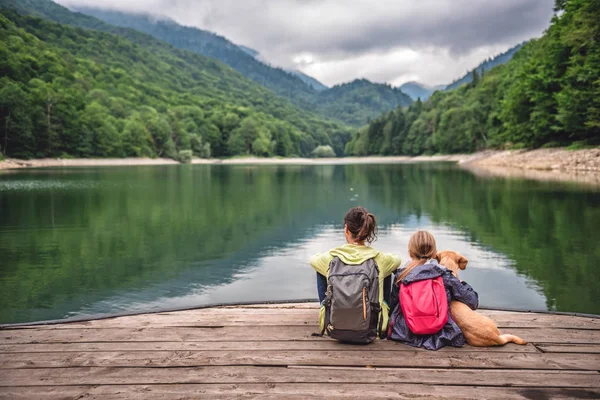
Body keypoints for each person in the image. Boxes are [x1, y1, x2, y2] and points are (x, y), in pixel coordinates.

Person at [309, 206, 401, 338]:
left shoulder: (332, 258)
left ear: (346, 229)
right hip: (370, 330)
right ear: (368, 232)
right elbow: (397, 260)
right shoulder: (378, 259)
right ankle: (382, 323)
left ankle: (328, 316)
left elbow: (312, 260)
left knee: (321, 270)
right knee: (385, 272)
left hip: (335, 329)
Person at [388, 230, 479, 350]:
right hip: (439, 334)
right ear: (434, 254)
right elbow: (473, 302)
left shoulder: (401, 275)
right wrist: (461, 283)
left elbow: (393, 306)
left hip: (405, 332)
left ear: (410, 253)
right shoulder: (444, 275)